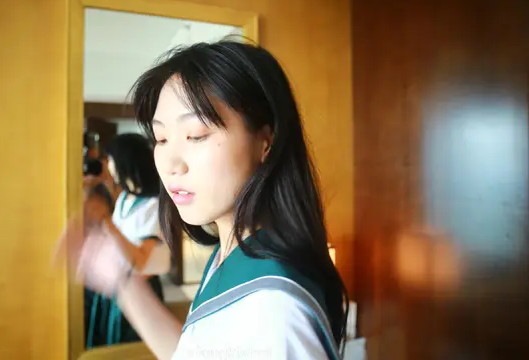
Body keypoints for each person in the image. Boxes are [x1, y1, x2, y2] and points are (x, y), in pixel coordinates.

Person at [59, 40, 348, 359]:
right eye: (161, 139)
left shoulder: (274, 310)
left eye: (196, 135)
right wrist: (123, 284)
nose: (171, 164)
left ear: (266, 141)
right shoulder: (232, 252)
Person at [82, 133, 170, 348]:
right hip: (120, 285)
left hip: (141, 290)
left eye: (110, 159)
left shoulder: (154, 206)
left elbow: (141, 262)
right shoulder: (124, 198)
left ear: (125, 162)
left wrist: (107, 223)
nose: (107, 165)